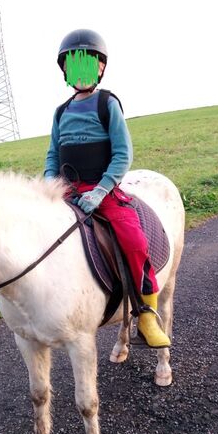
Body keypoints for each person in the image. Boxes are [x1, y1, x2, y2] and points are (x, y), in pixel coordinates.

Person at [44, 29, 170, 348]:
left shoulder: (107, 104)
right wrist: (49, 184)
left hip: (103, 190)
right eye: (74, 64)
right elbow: (53, 155)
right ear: (66, 71)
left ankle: (145, 314)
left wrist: (100, 191)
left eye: (88, 63)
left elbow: (122, 154)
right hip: (68, 191)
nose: (81, 70)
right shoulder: (61, 112)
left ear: (100, 67)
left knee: (133, 239)